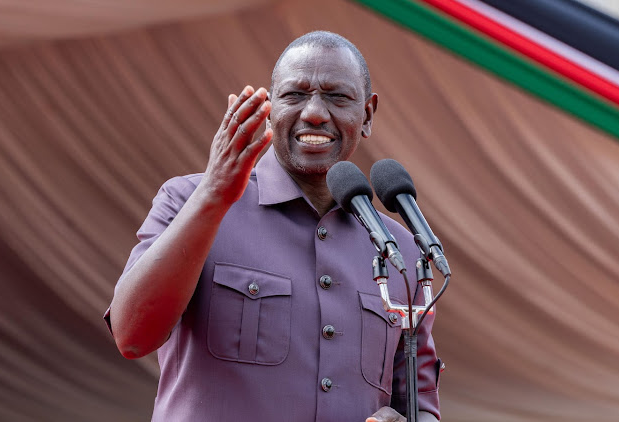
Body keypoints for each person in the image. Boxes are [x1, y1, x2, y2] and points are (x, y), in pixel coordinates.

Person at [105, 31, 441, 422]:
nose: (314, 112)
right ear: (271, 107)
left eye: (337, 96)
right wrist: (212, 197)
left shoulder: (400, 249)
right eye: (294, 95)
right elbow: (132, 337)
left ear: (367, 115)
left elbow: (420, 405)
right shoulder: (189, 200)